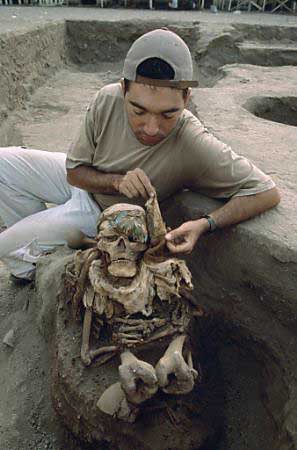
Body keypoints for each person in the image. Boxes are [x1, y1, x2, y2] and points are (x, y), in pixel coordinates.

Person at [0, 28, 280, 280]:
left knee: (4, 245)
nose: (151, 127)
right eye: (138, 110)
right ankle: (35, 260)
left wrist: (204, 224)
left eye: (168, 114)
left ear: (186, 99)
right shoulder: (107, 99)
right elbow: (74, 173)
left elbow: (266, 191)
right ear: (123, 89)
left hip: (100, 215)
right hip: (84, 186)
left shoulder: (193, 141)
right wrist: (116, 181)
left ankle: (26, 255)